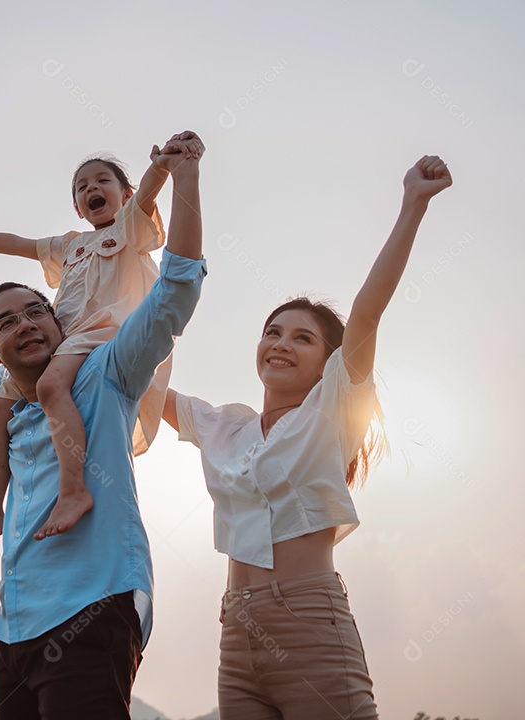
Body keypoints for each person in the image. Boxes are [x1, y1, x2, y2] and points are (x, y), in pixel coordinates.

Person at [0, 131, 205, 719]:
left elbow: (175, 288)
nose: (24, 324)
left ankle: (75, 491)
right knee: (0, 405)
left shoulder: (106, 370)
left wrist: (182, 174)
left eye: (34, 311)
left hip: (92, 607)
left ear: (56, 321)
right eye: (4, 323)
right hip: (17, 627)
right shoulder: (8, 390)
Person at [161, 155, 452, 719]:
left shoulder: (332, 410)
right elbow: (137, 377)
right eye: (273, 331)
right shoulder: (227, 424)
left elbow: (367, 315)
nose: (282, 343)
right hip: (235, 634)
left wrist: (412, 204)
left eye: (302, 338)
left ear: (328, 364)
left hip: (310, 624)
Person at [0, 140, 194, 559]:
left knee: (49, 388)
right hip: (68, 335)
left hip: (101, 332)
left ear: (124, 194)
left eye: (103, 181)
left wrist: (163, 167)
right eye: (82, 187)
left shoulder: (130, 229)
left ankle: (74, 489)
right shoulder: (71, 245)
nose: (91, 189)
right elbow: (19, 243)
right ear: (79, 209)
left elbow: (150, 193)